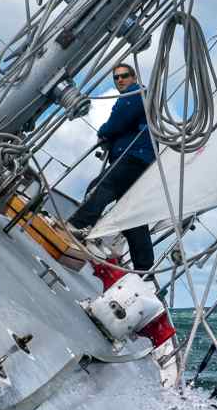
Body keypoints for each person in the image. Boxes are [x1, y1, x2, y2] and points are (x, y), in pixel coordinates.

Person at [67, 63, 156, 270]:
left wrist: (104, 132)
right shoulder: (140, 95)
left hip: (134, 156)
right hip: (142, 160)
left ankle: (78, 225)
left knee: (101, 187)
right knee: (130, 215)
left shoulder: (135, 93)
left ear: (134, 77)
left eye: (124, 76)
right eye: (116, 78)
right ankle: (144, 268)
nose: (120, 80)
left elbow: (117, 122)